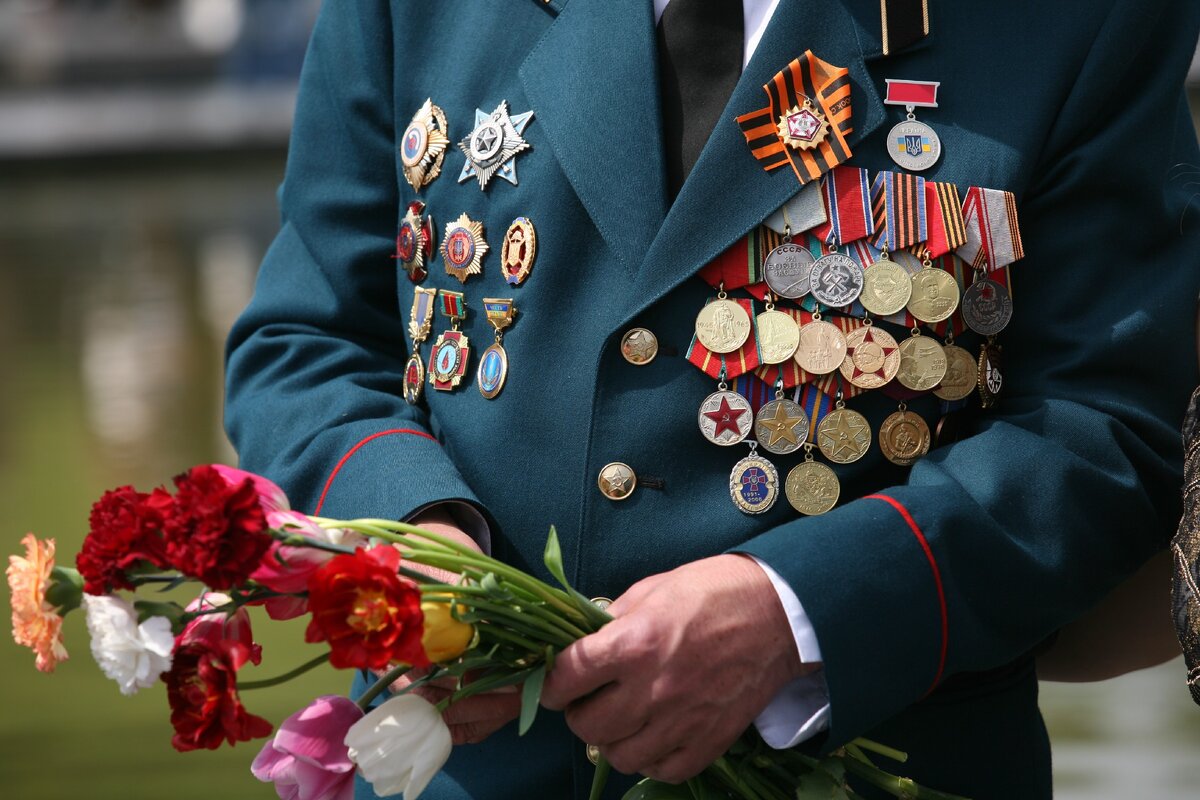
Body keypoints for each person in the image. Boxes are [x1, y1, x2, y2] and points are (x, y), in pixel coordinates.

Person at [224, 1, 1200, 798]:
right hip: (459, 765)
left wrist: (798, 611)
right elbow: (304, 339)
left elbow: (1105, 427)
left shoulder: (1081, 17)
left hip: (867, 759)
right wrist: (417, 526)